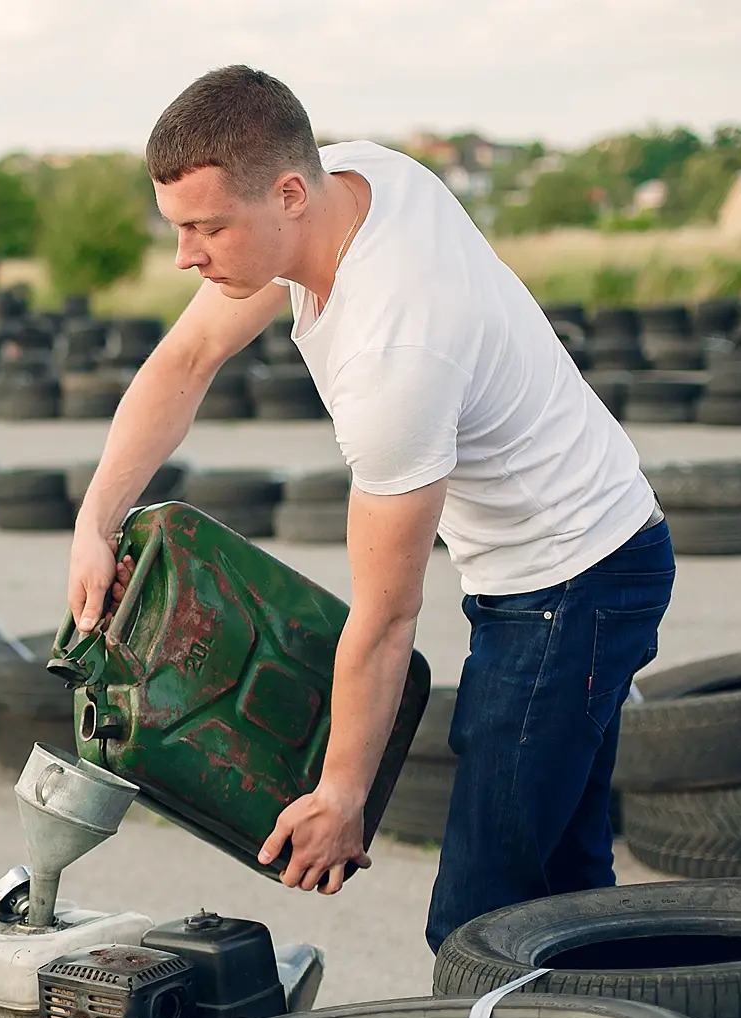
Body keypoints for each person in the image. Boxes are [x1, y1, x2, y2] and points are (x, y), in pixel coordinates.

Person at [65, 66, 673, 951]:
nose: (185, 257)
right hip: (569, 556)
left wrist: (343, 796)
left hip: (573, 584)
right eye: (179, 227)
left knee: (478, 920)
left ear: (288, 194)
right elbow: (187, 357)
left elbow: (387, 618)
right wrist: (95, 520)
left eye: (207, 228)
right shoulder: (351, 180)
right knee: (565, 881)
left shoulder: (397, 350)